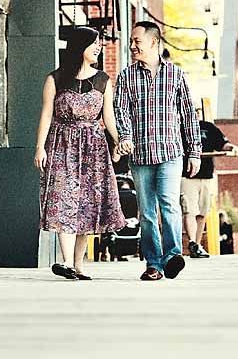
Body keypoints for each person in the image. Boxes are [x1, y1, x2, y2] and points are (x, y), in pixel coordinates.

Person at [34, 26, 125, 280]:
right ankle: (65, 262)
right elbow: (46, 115)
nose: (99, 47)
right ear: (79, 46)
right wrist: (39, 147)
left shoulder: (104, 81)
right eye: (95, 43)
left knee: (87, 203)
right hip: (61, 143)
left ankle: (78, 265)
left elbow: (109, 118)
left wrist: (118, 141)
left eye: (100, 44)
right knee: (64, 198)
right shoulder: (55, 79)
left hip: (93, 147)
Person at [114, 21, 202, 281]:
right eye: (132, 41)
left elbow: (188, 115)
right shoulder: (127, 76)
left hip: (170, 152)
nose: (132, 46)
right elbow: (121, 111)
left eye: (136, 41)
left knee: (170, 205)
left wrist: (194, 151)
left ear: (154, 42)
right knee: (148, 213)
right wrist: (125, 137)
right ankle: (153, 264)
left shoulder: (175, 75)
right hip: (140, 155)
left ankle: (172, 255)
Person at [180, 105, 238, 258]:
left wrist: (231, 148)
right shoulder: (180, 127)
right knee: (190, 211)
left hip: (206, 176)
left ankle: (197, 245)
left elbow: (222, 144)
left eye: (197, 111)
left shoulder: (209, 128)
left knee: (203, 212)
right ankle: (192, 242)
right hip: (188, 176)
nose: (195, 114)